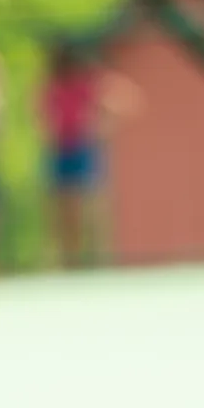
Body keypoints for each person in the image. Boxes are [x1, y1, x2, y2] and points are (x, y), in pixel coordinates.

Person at [38, 40, 139, 268]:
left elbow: (125, 99)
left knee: (93, 206)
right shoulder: (53, 86)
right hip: (61, 149)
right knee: (65, 208)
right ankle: (69, 260)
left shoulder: (90, 83)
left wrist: (101, 124)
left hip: (84, 148)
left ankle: (98, 258)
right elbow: (45, 119)